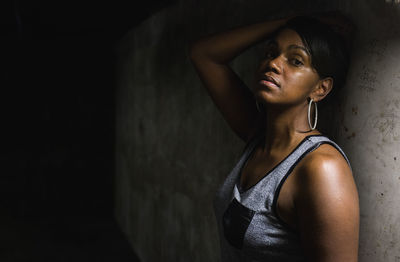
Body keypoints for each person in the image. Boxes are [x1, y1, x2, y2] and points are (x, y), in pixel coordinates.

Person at [189, 12, 359, 262]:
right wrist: (286, 23)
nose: (273, 63)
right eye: (271, 52)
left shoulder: (321, 169)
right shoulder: (258, 136)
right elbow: (203, 53)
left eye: (296, 61)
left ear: (320, 88)